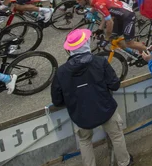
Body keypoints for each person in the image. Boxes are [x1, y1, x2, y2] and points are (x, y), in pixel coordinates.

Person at [51, 29, 132, 166]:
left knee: (84, 141)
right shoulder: (100, 62)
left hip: (80, 115)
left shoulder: (62, 72)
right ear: (86, 44)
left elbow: (57, 100)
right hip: (105, 109)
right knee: (116, 135)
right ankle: (125, 162)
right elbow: (114, 85)